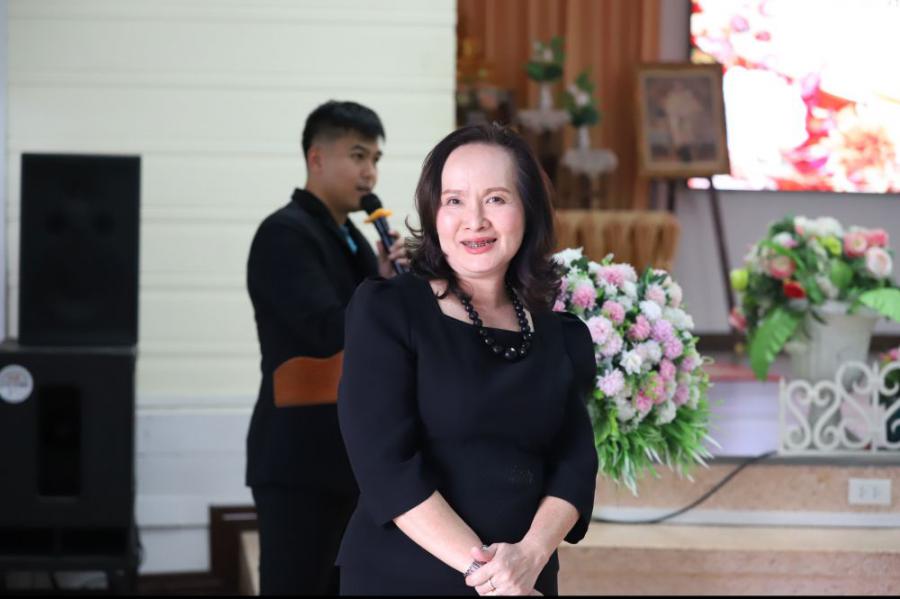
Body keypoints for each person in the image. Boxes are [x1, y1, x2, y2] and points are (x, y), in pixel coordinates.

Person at [336, 124, 598, 596]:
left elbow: (574, 464)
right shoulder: (388, 312)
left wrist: (530, 556)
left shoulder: (562, 335)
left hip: (527, 577)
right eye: (454, 200)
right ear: (433, 213)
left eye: (496, 199)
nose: (474, 220)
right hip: (406, 577)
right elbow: (385, 467)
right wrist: (493, 578)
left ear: (528, 209)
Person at [245, 100, 407, 595]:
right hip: (301, 456)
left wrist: (388, 280)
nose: (370, 172)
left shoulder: (349, 238)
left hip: (346, 454)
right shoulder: (285, 234)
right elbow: (326, 330)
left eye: (375, 159)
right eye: (358, 156)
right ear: (316, 158)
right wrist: (382, 293)